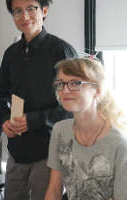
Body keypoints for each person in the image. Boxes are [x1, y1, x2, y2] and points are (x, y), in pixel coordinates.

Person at [0, 0, 77, 199]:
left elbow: (73, 104)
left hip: (49, 151)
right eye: (17, 11)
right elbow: (1, 95)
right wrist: (5, 119)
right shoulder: (11, 53)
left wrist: (33, 120)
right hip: (16, 150)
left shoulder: (61, 50)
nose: (24, 16)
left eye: (31, 9)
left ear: (44, 11)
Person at [44, 58, 127, 199]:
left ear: (97, 91)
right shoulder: (60, 130)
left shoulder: (119, 143)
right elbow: (54, 189)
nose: (65, 90)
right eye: (61, 84)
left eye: (75, 83)